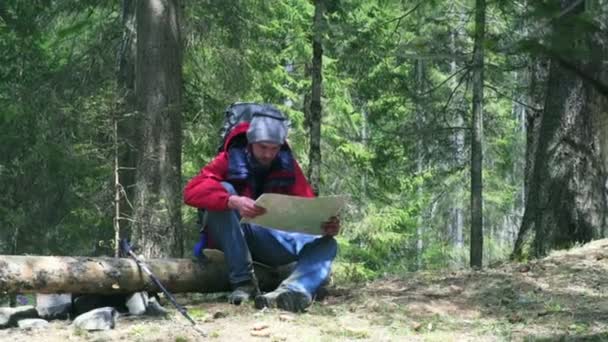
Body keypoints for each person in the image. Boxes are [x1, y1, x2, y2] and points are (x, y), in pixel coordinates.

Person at [183, 104, 340, 312]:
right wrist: (231, 200)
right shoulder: (228, 159)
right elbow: (191, 192)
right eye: (263, 147)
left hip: (268, 237)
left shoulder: (287, 165)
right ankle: (244, 282)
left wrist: (324, 225)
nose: (268, 154)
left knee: (328, 244)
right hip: (231, 236)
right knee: (225, 189)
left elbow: (308, 206)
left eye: (274, 148)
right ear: (251, 142)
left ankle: (292, 291)